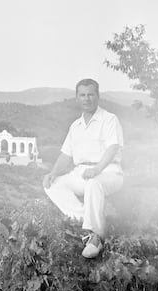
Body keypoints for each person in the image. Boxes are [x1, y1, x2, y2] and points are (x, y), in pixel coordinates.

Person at [43, 78, 123, 259]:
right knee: (52, 184)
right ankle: (82, 219)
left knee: (94, 183)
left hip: (108, 171)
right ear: (77, 98)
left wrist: (97, 169)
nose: (87, 99)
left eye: (91, 94)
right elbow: (65, 155)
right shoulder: (75, 126)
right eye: (82, 95)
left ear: (98, 96)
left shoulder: (109, 119)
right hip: (81, 172)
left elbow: (113, 148)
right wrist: (53, 172)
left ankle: (96, 237)